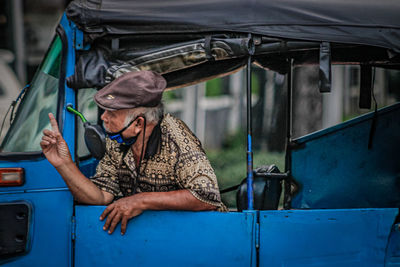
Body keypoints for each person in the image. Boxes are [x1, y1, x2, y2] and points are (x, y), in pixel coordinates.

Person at [40, 70, 226, 235]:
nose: (103, 118)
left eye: (112, 113)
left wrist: (140, 201)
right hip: (156, 238)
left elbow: (206, 196)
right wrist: (64, 164)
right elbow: (101, 197)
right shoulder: (116, 141)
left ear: (138, 124)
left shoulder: (175, 135)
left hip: (203, 235)